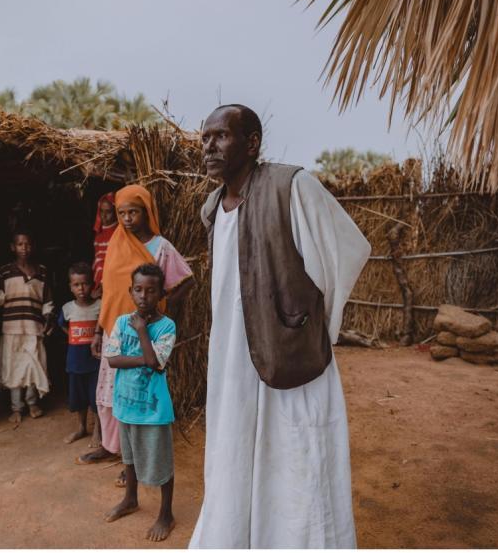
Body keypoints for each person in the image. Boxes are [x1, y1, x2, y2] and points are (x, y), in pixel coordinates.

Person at [189, 104, 371, 548]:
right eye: (205, 138)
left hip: (292, 359)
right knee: (235, 453)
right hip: (233, 360)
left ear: (252, 143)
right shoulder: (213, 208)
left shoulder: (293, 186)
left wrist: (304, 326)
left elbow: (346, 251)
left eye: (222, 136)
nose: (210, 146)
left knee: (298, 457)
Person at [76, 185, 194, 477]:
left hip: (142, 334)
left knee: (136, 397)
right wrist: (100, 332)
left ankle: (132, 461)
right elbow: (111, 293)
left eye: (133, 212)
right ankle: (110, 446)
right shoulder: (116, 242)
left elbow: (187, 280)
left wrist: (160, 306)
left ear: (147, 212)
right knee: (108, 397)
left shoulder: (160, 247)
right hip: (115, 331)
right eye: (122, 213)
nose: (127, 219)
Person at [103, 263, 177, 542]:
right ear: (130, 291)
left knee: (162, 464)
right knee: (130, 458)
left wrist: (143, 332)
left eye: (151, 290)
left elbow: (157, 363)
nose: (144, 296)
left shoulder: (167, 326)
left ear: (161, 293)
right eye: (138, 290)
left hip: (154, 409)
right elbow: (112, 359)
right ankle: (130, 499)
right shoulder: (122, 322)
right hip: (126, 404)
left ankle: (166, 514)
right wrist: (144, 358)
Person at [0, 231, 55, 423]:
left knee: (34, 364)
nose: (24, 248)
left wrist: (48, 318)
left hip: (34, 327)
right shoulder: (5, 271)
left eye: (27, 244)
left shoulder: (41, 271)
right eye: (19, 244)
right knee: (14, 366)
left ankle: (32, 403)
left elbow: (47, 301)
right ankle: (16, 407)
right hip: (12, 328)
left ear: (33, 246)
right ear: (12, 247)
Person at [58, 262, 102, 446]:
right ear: (70, 287)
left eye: (84, 283)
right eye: (76, 285)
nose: (81, 288)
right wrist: (72, 336)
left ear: (91, 284)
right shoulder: (68, 308)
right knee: (79, 398)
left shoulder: (100, 306)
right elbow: (61, 324)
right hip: (75, 362)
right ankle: (81, 427)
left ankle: (98, 432)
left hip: (95, 362)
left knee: (96, 398)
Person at [91, 192, 117, 299]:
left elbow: (114, 261)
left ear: (115, 212)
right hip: (98, 284)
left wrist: (102, 285)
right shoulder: (99, 234)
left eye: (108, 212)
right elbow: (98, 260)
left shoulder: (118, 232)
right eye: (101, 211)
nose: (104, 215)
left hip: (112, 281)